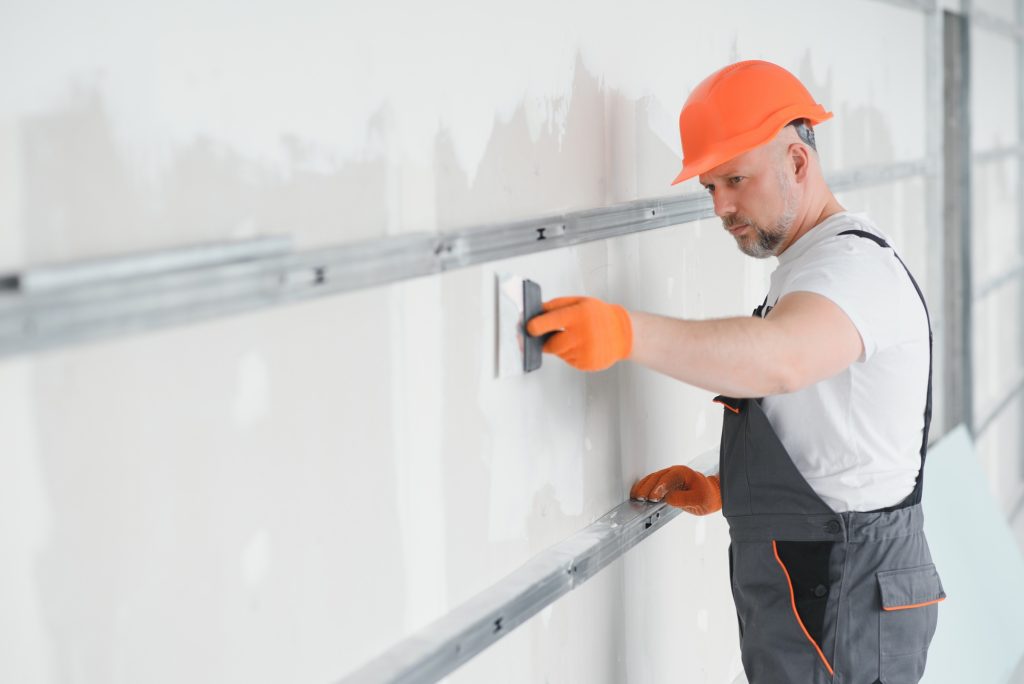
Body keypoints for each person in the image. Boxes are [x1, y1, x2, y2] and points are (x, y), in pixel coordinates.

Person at [526, 60, 945, 684]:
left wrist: (625, 332)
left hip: (844, 583)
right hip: (819, 576)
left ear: (798, 163)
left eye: (735, 180)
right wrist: (730, 483)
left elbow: (782, 359)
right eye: (709, 187)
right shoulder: (810, 268)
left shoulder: (852, 270)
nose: (720, 206)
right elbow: (834, 424)